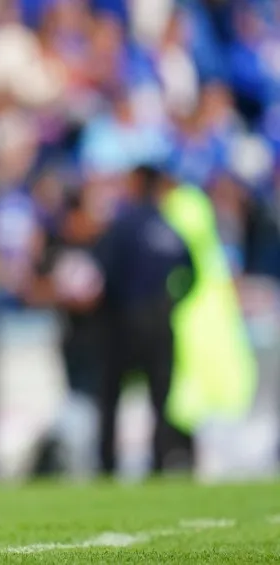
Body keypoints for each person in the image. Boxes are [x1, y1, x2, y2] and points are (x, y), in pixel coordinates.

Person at [89, 164, 196, 475]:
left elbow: (101, 273)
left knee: (111, 396)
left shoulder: (122, 226)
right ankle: (159, 463)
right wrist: (172, 302)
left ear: (136, 184)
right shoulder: (168, 227)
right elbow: (191, 274)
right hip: (160, 320)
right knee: (159, 399)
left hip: (123, 320)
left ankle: (107, 465)